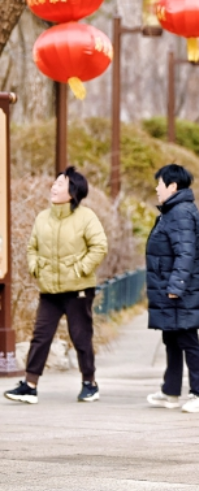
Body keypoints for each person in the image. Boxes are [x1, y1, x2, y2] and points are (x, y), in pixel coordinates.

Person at [4, 167, 107, 404]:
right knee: (41, 336)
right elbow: (32, 247)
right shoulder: (42, 217)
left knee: (81, 336)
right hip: (49, 290)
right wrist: (35, 268)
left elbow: (99, 246)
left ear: (73, 192)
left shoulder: (86, 217)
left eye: (61, 183)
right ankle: (30, 385)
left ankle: (89, 383)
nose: (54, 186)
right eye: (55, 182)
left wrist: (79, 269)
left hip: (78, 290)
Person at [145, 164, 199, 413]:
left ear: (172, 186)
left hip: (180, 290)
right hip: (171, 287)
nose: (156, 188)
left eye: (159, 184)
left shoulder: (180, 212)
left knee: (187, 339)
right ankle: (170, 391)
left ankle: (198, 394)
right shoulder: (173, 210)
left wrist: (177, 286)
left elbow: (186, 252)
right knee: (171, 337)